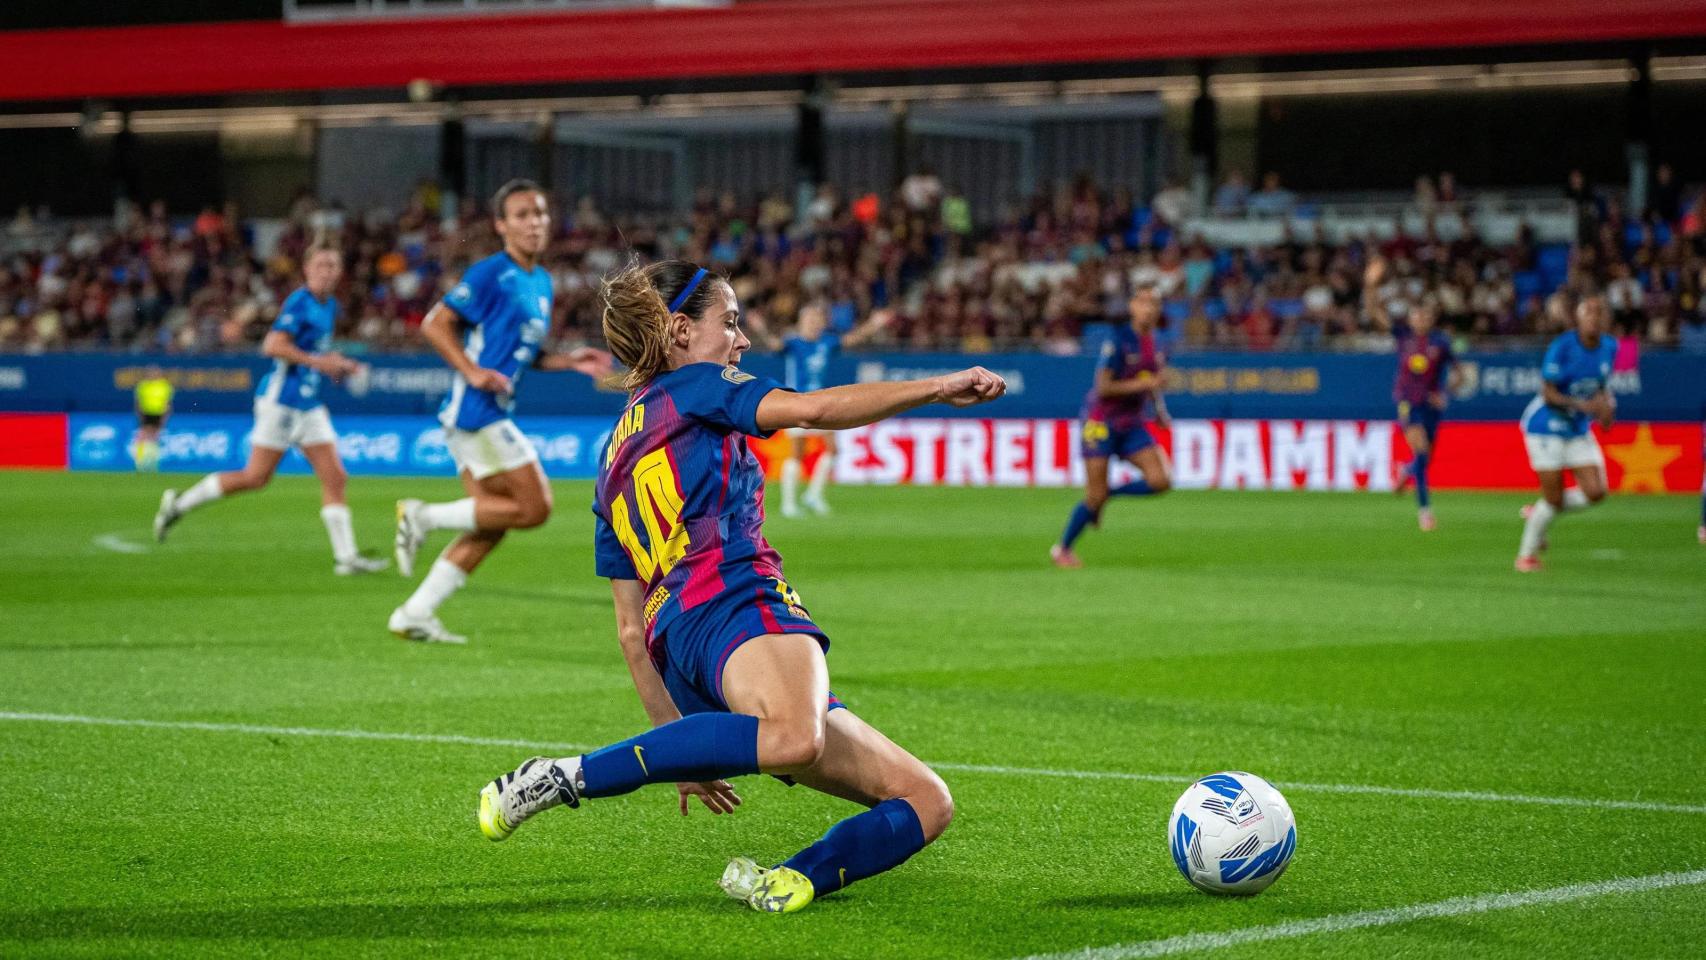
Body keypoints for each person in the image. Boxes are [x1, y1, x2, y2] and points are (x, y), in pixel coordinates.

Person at [475, 259, 1005, 914]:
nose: (742, 340)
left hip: (685, 652)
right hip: (736, 602)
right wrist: (938, 387)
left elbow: (630, 631)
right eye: (728, 322)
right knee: (795, 739)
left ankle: (789, 878)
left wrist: (679, 745)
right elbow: (811, 409)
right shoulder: (698, 384)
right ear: (677, 331)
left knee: (926, 800)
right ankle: (566, 776)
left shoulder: (611, 457)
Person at [389, 179, 612, 644]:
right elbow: (436, 324)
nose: (535, 223)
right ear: (501, 225)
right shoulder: (491, 272)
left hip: (488, 408)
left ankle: (414, 612)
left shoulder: (541, 281)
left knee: (492, 521)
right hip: (478, 410)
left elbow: (526, 355)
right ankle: (422, 516)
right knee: (535, 508)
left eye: (541, 213)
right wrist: (471, 371)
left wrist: (568, 360)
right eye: (523, 215)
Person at [152, 244, 389, 576]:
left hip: (308, 404)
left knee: (335, 476)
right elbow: (273, 345)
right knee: (255, 477)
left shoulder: (329, 305)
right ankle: (178, 505)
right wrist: (319, 362)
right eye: (321, 264)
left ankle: (347, 559)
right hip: (281, 402)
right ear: (307, 269)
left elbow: (312, 351)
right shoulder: (300, 302)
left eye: (333, 265)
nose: (327, 271)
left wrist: (338, 364)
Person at [1051, 286, 1172, 568]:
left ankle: (1111, 494)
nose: (1149, 308)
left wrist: (1160, 412)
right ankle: (1062, 549)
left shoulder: (1157, 343)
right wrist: (1145, 385)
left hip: (1132, 423)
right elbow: (1103, 387)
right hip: (1100, 423)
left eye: (1153, 303)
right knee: (1094, 494)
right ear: (1132, 307)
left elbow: (1152, 381)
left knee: (1160, 481)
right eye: (1143, 302)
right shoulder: (1118, 341)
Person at [746, 300, 892, 518]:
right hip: (796, 402)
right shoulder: (793, 343)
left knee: (833, 449)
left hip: (819, 403)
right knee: (797, 454)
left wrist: (874, 324)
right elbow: (774, 345)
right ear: (801, 322)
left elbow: (852, 339)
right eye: (810, 319)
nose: (814, 324)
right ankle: (789, 503)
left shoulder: (826, 342)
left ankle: (813, 494)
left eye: (818, 320)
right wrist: (760, 327)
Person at [1515, 295, 1617, 572]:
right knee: (1554, 499)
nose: (1594, 318)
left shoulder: (1610, 346)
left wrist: (1606, 407)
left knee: (1596, 492)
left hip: (1577, 427)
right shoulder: (1562, 346)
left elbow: (1601, 387)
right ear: (1578, 318)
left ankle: (1537, 514)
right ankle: (1526, 556)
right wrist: (1581, 405)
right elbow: (1547, 392)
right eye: (1588, 312)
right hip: (1544, 427)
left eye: (1599, 313)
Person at [1379, 299, 1462, 531]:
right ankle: (1425, 512)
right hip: (1407, 403)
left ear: (1431, 319)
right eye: (1416, 316)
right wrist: (1370, 287)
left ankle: (1406, 469)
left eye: (1425, 316)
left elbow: (1460, 375)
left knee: (1425, 460)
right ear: (1410, 319)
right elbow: (1377, 313)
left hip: (1431, 406)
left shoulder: (1440, 343)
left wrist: (1445, 393)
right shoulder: (1403, 337)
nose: (1420, 320)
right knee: (1421, 450)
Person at [132, 365, 173, 472]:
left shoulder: (165, 386)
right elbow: (138, 402)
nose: (153, 375)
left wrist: (165, 417)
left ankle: (153, 463)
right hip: (145, 413)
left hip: (158, 413)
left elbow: (167, 403)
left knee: (155, 438)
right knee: (141, 437)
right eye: (150, 372)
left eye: (155, 373)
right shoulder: (143, 385)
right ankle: (140, 462)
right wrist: (139, 414)